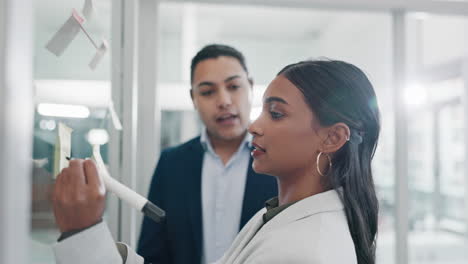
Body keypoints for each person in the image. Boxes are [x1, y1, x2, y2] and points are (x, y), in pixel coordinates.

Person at [52, 59, 380, 264]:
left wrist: (84, 234)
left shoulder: (302, 252)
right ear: (193, 99)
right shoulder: (277, 215)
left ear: (333, 138)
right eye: (207, 91)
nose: (254, 126)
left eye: (276, 114)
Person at [54, 44, 277, 264]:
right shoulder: (172, 164)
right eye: (208, 91)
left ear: (250, 86)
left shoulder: (277, 160)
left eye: (234, 86)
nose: (224, 101)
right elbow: (152, 253)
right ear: (193, 98)